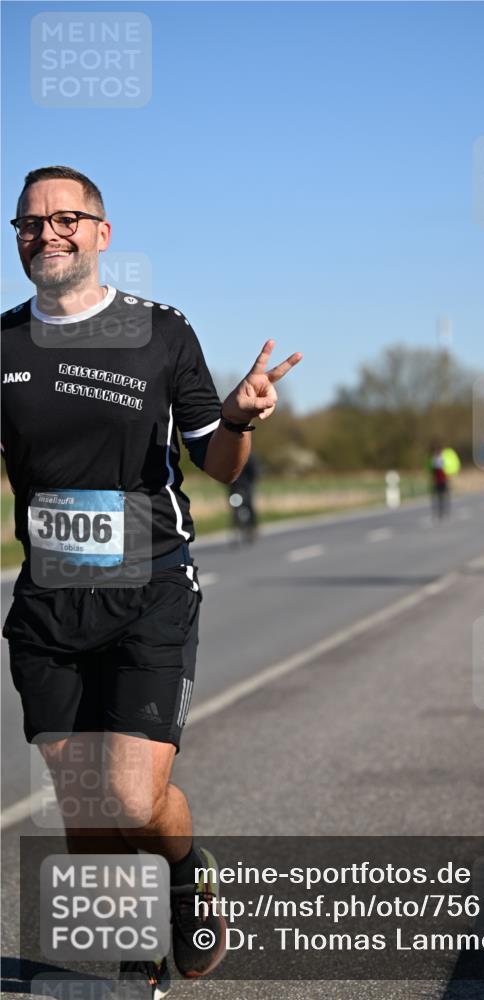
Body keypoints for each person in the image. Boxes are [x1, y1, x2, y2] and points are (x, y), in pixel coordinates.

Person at [1, 166, 302, 998]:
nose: (46, 233)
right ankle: (140, 959)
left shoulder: (159, 333)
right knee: (87, 819)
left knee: (133, 800)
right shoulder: (2, 345)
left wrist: (239, 417)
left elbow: (218, 461)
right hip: (48, 602)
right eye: (29, 222)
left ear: (101, 234)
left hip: (151, 591)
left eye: (66, 218)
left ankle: (185, 876)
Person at [228, 450, 259, 542]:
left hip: (247, 486)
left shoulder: (250, 457)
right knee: (234, 508)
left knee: (250, 505)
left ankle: (252, 527)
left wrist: (250, 484)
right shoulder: (230, 458)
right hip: (234, 487)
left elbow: (254, 473)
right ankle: (235, 526)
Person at [427, 441, 461, 519]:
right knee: (437, 497)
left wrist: (449, 475)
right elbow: (431, 469)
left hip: (444, 479)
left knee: (445, 496)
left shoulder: (444, 457)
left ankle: (445, 510)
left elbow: (449, 467)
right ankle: (439, 511)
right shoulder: (432, 458)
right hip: (436, 480)